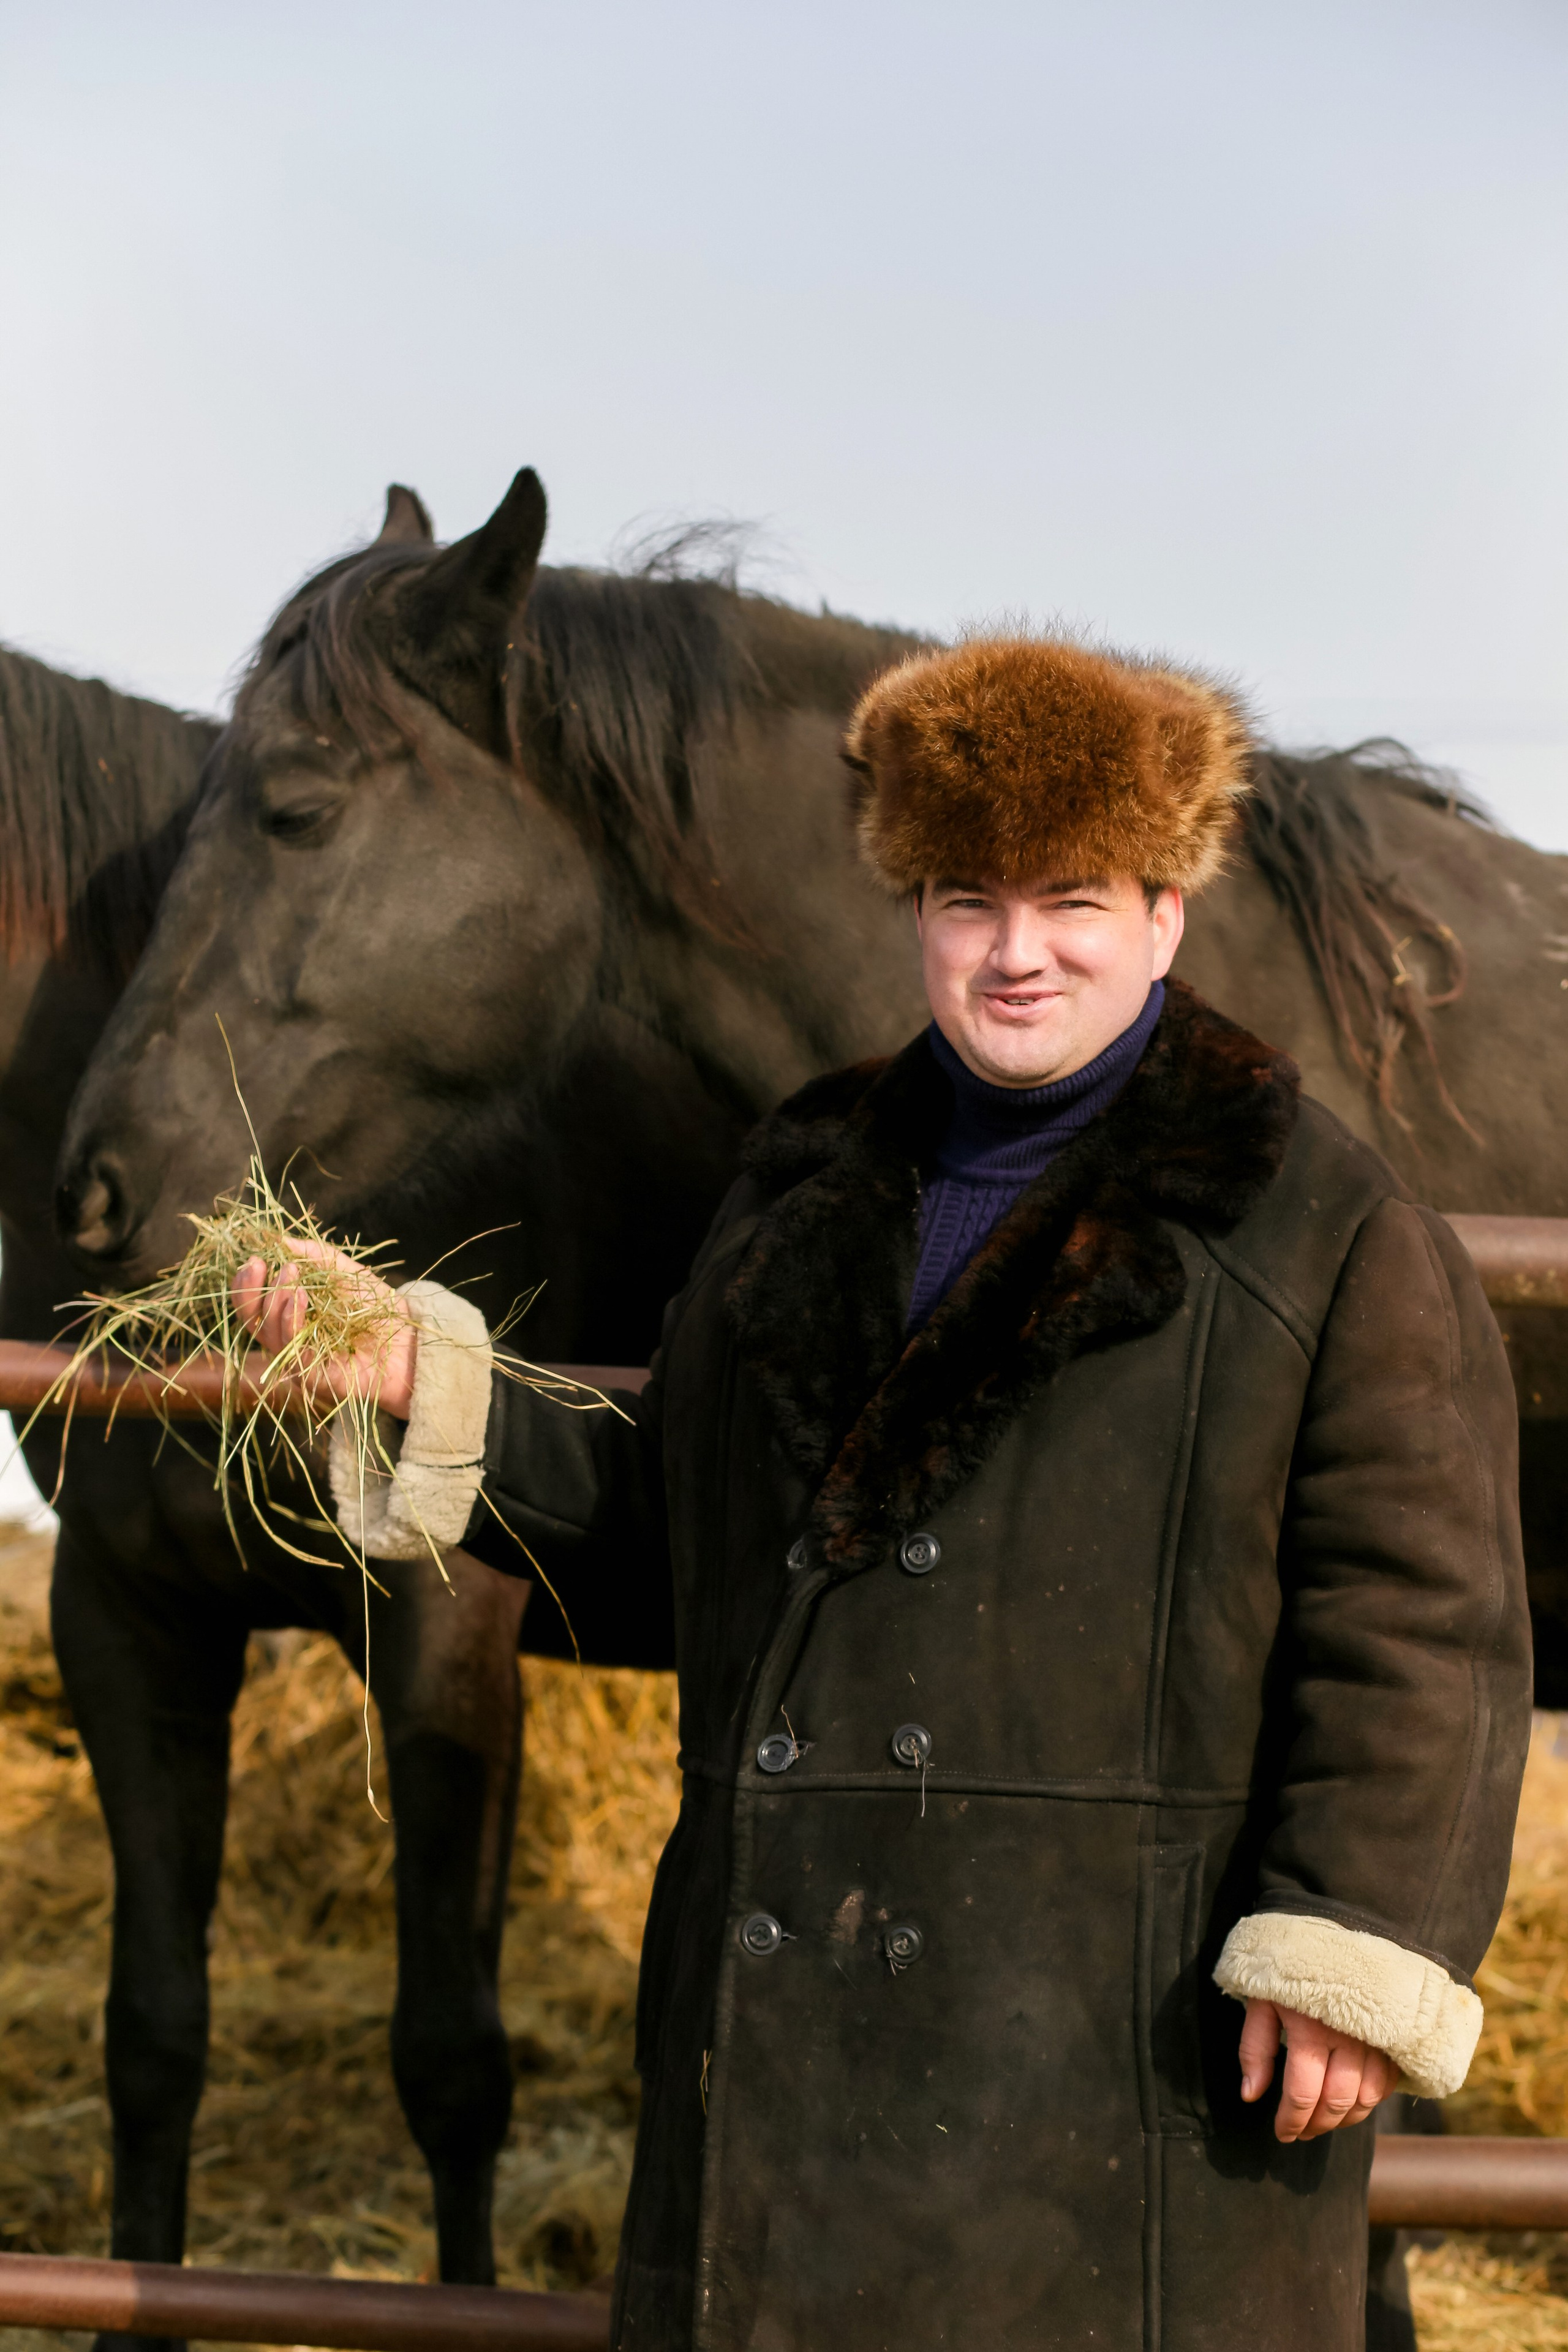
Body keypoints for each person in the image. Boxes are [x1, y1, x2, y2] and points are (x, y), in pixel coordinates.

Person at [238, 636, 1531, 2351]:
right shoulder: (798, 1184)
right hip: (791, 2077)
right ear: (914, 913)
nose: (1018, 951)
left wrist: (1350, 1937)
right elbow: (680, 1532)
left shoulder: (1319, 1224)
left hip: (1119, 2071)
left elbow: (1426, 1624)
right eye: (968, 900)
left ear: (1166, 915)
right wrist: (425, 1381)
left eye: (1073, 900)